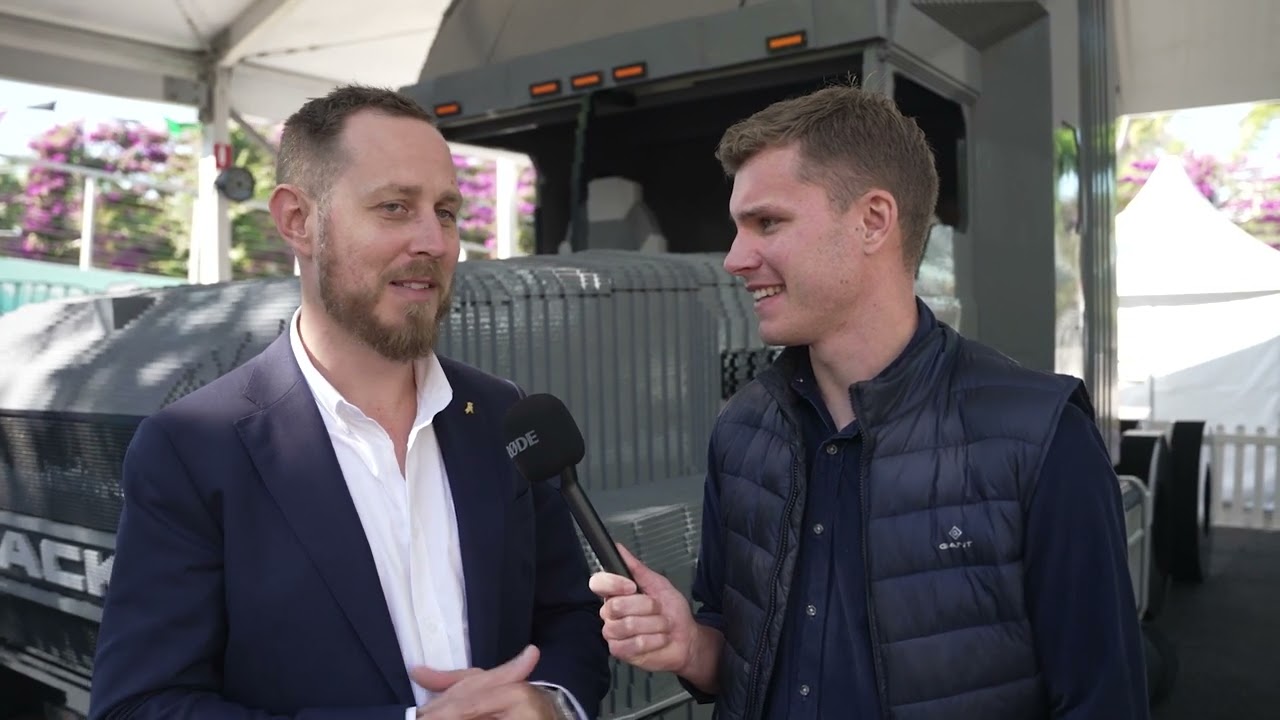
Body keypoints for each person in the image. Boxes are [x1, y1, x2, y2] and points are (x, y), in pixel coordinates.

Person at [589, 84, 1149, 719]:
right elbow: (739, 661)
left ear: (873, 220)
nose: (736, 258)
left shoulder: (1041, 438)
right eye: (738, 227)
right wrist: (690, 645)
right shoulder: (742, 428)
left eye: (767, 222)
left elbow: (1104, 700)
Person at [88, 85, 610, 720]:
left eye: (445, 212)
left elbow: (569, 617)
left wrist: (550, 703)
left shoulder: (502, 415)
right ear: (298, 221)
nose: (435, 243)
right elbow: (141, 705)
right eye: (394, 207)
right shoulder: (193, 449)